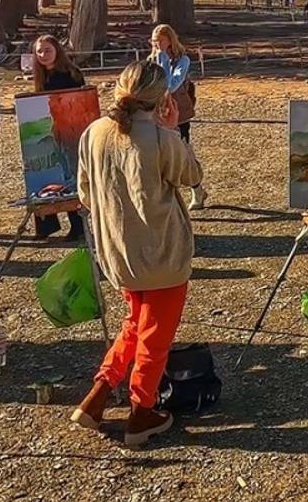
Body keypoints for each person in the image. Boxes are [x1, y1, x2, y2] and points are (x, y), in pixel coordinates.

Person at [69, 60, 200, 447]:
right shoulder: (160, 139)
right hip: (161, 256)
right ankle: (142, 412)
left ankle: (98, 393)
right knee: (155, 337)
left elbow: (85, 194)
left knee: (135, 323)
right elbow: (193, 175)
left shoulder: (94, 133)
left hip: (120, 255)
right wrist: (174, 130)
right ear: (161, 100)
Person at [31, 33, 87, 241]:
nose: (43, 54)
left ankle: (78, 225)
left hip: (71, 132)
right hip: (50, 130)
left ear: (57, 51)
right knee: (47, 172)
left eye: (48, 50)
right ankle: (47, 223)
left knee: (70, 174)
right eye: (40, 51)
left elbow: (80, 101)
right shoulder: (40, 76)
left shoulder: (70, 74)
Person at [150, 24, 207, 209]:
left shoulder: (182, 60)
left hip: (178, 114)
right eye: (155, 41)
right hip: (156, 114)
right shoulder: (150, 60)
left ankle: (197, 189)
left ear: (169, 40)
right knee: (159, 155)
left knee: (182, 153)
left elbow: (171, 85)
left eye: (161, 40)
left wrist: (163, 59)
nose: (157, 44)